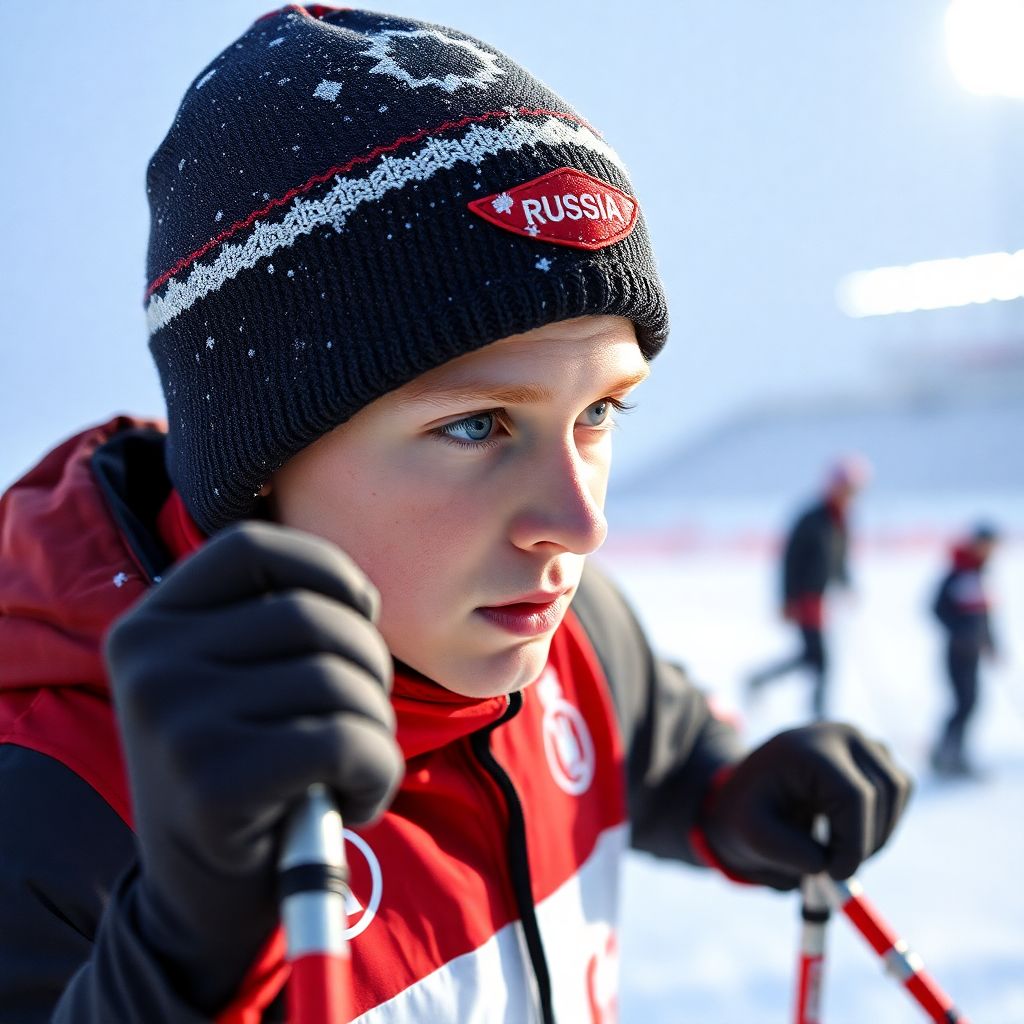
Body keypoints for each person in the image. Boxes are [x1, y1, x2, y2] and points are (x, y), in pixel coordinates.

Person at [0, 8, 911, 1022]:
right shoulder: (55, 801)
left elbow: (656, 745)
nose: (576, 521)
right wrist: (176, 957)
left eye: (599, 411)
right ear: (259, 464)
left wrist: (725, 796)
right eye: (478, 425)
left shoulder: (571, 633)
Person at [747, 455, 871, 720]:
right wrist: (787, 600)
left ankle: (761, 680)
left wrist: (847, 583)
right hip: (806, 599)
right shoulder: (811, 519)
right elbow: (789, 561)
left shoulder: (841, 521)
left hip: (824, 598)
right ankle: (818, 714)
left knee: (811, 657)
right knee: (819, 659)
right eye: (848, 489)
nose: (851, 495)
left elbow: (839, 559)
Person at [929, 522, 1000, 778]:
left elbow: (985, 616)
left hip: (974, 652)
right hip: (957, 651)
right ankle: (947, 755)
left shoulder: (981, 574)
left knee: (970, 703)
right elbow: (936, 608)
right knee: (963, 703)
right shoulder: (958, 573)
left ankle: (951, 753)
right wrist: (960, 633)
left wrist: (992, 643)